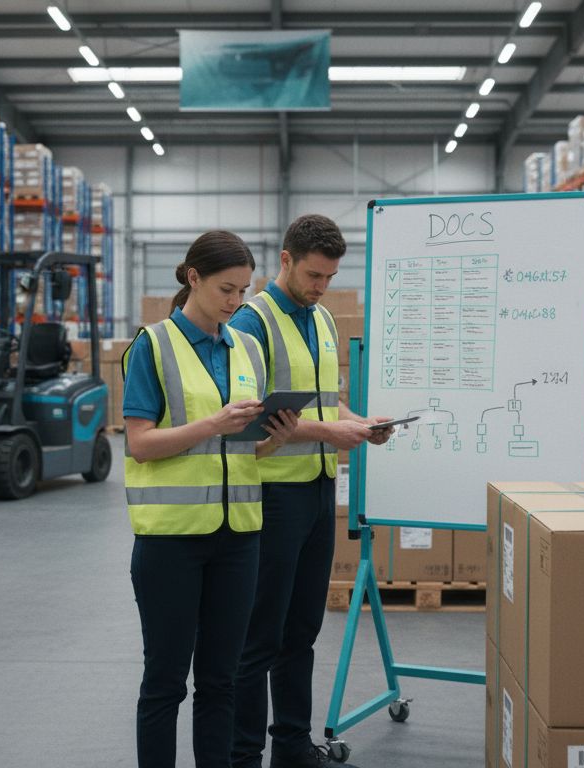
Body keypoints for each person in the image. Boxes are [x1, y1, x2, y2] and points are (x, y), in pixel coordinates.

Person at [123, 230, 302, 768]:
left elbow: (245, 451)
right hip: (172, 541)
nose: (234, 302)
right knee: (166, 682)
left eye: (244, 292)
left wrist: (277, 436)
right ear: (193, 278)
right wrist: (212, 423)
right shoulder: (152, 346)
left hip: (240, 537)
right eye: (226, 289)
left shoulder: (246, 346)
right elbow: (139, 443)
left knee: (222, 681)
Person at [228, 214, 394, 768]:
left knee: (302, 630)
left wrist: (362, 422)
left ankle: (293, 747)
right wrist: (332, 431)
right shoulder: (253, 321)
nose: (322, 286)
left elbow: (326, 401)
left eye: (330, 277)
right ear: (286, 260)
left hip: (320, 493)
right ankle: (244, 754)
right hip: (274, 496)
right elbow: (253, 419)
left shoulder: (322, 319)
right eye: (314, 274)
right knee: (261, 636)